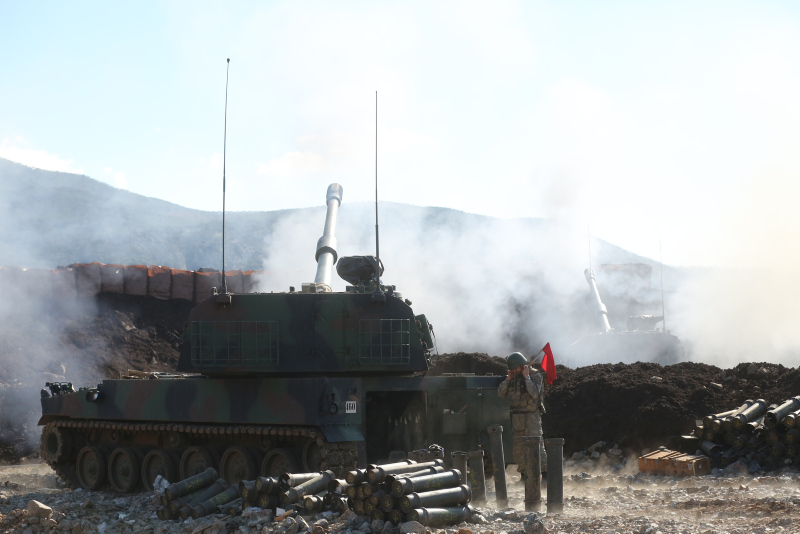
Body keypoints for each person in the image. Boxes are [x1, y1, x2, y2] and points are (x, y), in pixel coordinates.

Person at [497, 351, 547, 481]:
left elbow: (534, 393)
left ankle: (545, 475)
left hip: (531, 416)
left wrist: (527, 377)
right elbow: (500, 393)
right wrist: (508, 379)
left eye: (515, 368)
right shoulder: (512, 378)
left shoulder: (535, 375)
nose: (514, 371)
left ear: (522, 365)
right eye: (512, 369)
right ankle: (524, 476)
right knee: (519, 448)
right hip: (517, 418)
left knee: (537, 445)